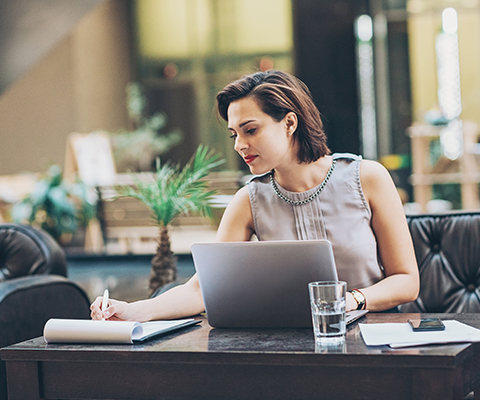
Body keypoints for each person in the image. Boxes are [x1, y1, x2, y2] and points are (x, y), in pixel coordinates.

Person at [91, 70, 419, 321]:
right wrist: (133, 312)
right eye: (235, 134)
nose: (239, 145)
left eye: (251, 130)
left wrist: (352, 301)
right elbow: (203, 288)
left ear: (289, 123)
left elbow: (406, 280)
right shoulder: (248, 201)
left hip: (376, 338)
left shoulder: (368, 177)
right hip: (294, 349)